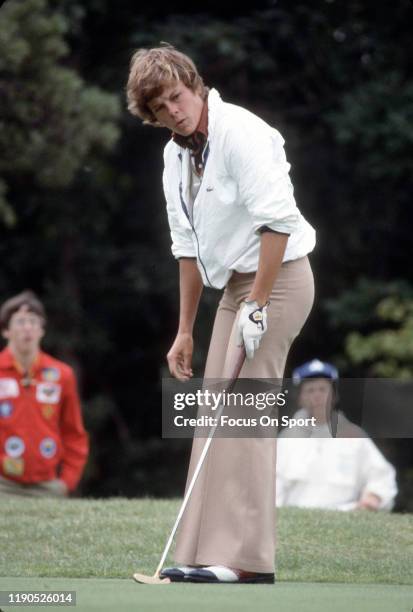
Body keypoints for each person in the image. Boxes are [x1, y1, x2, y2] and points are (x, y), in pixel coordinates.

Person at [127, 45, 316, 583]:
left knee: (244, 411)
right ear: (153, 115)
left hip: (279, 279)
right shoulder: (177, 155)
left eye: (178, 96)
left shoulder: (242, 133)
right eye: (161, 107)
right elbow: (185, 249)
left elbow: (277, 223)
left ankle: (247, 562)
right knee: (216, 410)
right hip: (237, 286)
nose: (175, 111)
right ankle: (208, 552)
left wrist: (256, 304)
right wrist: (184, 330)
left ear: (195, 84)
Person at [276, 359, 398, 511]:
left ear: (334, 396)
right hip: (295, 517)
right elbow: (272, 488)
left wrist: (373, 497)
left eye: (322, 389)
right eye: (310, 390)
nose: (317, 396)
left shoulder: (353, 436)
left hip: (345, 516)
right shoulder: (286, 440)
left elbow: (381, 476)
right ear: (300, 398)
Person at [0, 291, 89, 498]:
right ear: (6, 330)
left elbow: (74, 433)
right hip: (3, 483)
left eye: (33, 321)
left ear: (42, 330)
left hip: (47, 486)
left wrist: (66, 482)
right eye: (20, 321)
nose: (27, 328)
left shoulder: (61, 375)